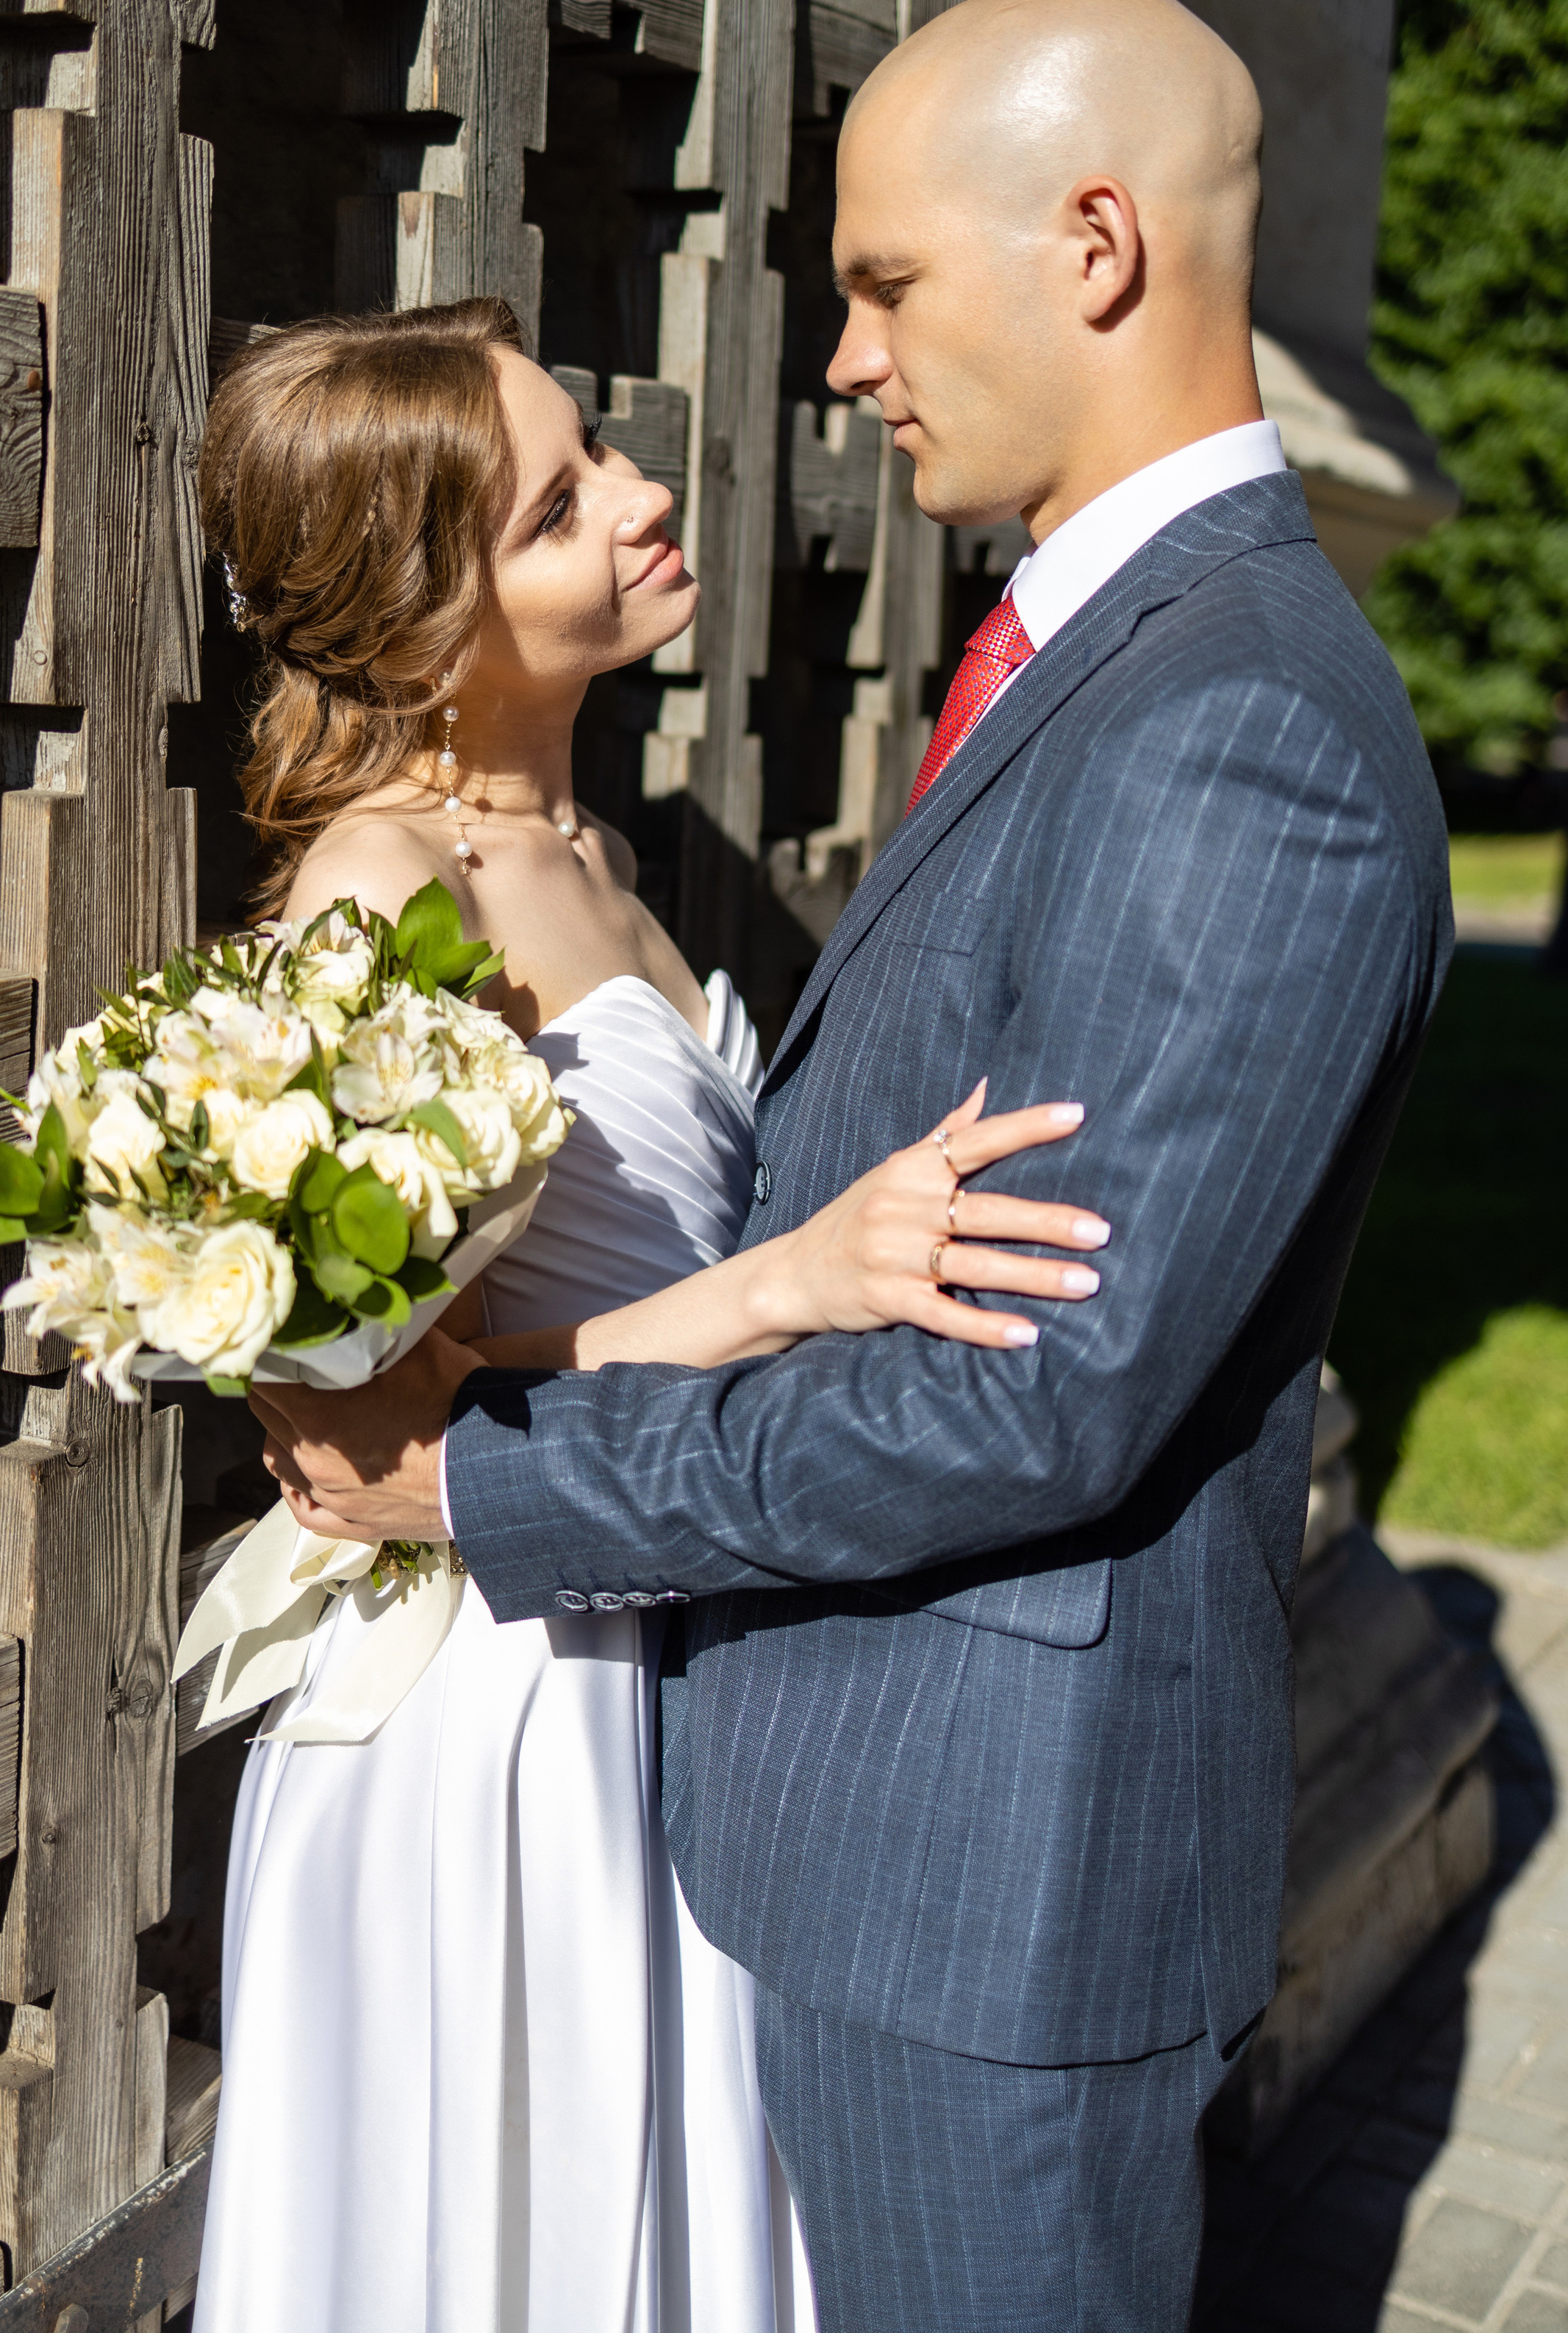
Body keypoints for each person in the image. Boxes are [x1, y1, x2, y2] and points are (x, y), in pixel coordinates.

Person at [257, 0, 1455, 2332]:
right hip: (783, 1805)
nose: (840, 362)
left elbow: (1037, 1392)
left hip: (980, 1889)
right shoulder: (1107, 655)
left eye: (886, 282)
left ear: (1093, 244)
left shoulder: (1238, 728)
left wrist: (489, 1484)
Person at [187, 296, 1111, 2332]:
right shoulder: (376, 894)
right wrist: (794, 1283)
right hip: (506, 1694)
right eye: (556, 505)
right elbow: (367, 1442)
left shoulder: (592, 846)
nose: (640, 497)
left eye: (598, 449)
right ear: (427, 619)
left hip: (662, 1607)